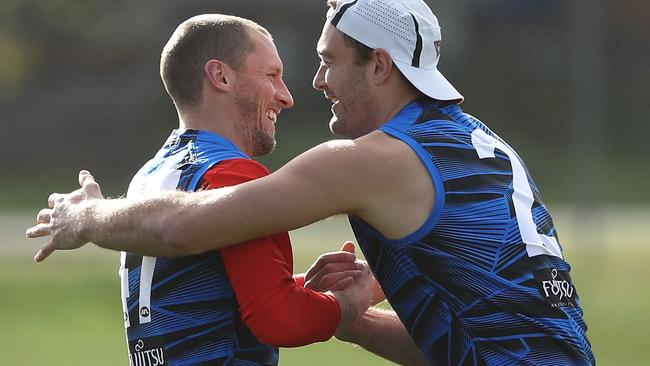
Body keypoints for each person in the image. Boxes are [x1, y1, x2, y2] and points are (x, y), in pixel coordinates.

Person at [27, 0, 595, 365]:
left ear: (379, 65)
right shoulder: (483, 143)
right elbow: (477, 345)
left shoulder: (371, 161)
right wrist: (352, 318)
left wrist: (84, 218)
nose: (314, 82)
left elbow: (182, 227)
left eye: (328, 61)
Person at [38, 14, 374, 366]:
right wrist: (350, 303)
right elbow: (279, 320)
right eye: (271, 76)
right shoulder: (232, 173)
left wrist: (302, 288)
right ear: (221, 76)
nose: (286, 96)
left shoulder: (148, 175)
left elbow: (198, 294)